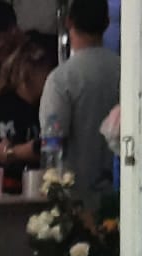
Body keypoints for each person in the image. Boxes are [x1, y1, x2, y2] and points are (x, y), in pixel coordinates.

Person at [40, 0, 122, 189]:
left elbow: (52, 141)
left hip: (77, 196)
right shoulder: (127, 72)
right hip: (123, 194)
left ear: (68, 22)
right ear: (107, 23)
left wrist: (52, 187)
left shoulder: (61, 79)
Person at [0, 44, 51, 190]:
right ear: (30, 72)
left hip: (37, 186)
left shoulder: (44, 108)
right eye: (45, 71)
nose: (49, 77)